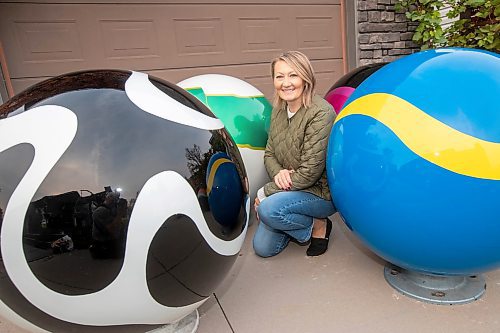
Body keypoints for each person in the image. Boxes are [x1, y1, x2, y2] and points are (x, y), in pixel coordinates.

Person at [253, 51, 337, 257]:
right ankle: (303, 224)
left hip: (318, 192)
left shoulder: (321, 113)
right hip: (289, 187)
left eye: (293, 75)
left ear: (305, 78)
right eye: (279, 76)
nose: (286, 83)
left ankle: (319, 225)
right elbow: (269, 154)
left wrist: (266, 192)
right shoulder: (278, 110)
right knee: (263, 249)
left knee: (268, 209)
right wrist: (280, 173)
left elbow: (309, 173)